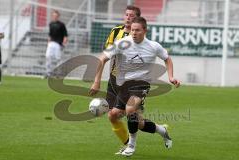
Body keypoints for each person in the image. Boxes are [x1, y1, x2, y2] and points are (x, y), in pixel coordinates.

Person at [89, 17, 180, 156]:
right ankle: (162, 130)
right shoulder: (121, 43)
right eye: (132, 30)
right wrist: (96, 81)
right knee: (122, 117)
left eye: (137, 30)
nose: (134, 33)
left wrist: (171, 76)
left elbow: (167, 58)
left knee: (130, 109)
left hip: (141, 84)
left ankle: (131, 146)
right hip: (124, 85)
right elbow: (102, 58)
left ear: (145, 30)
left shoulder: (154, 46)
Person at [103, 5, 141, 154]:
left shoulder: (138, 37)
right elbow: (108, 53)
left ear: (136, 18)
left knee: (118, 114)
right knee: (113, 116)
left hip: (129, 82)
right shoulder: (115, 32)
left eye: (131, 15)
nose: (128, 17)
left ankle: (130, 145)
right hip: (113, 79)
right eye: (126, 14)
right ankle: (129, 143)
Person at [45, 10, 68, 78]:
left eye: (56, 16)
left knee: (58, 59)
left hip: (58, 44)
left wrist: (64, 43)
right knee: (48, 56)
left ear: (58, 17)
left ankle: (58, 74)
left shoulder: (61, 25)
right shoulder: (51, 24)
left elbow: (65, 35)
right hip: (51, 43)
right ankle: (48, 73)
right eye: (54, 16)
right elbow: (50, 34)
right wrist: (48, 42)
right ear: (52, 16)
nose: (55, 17)